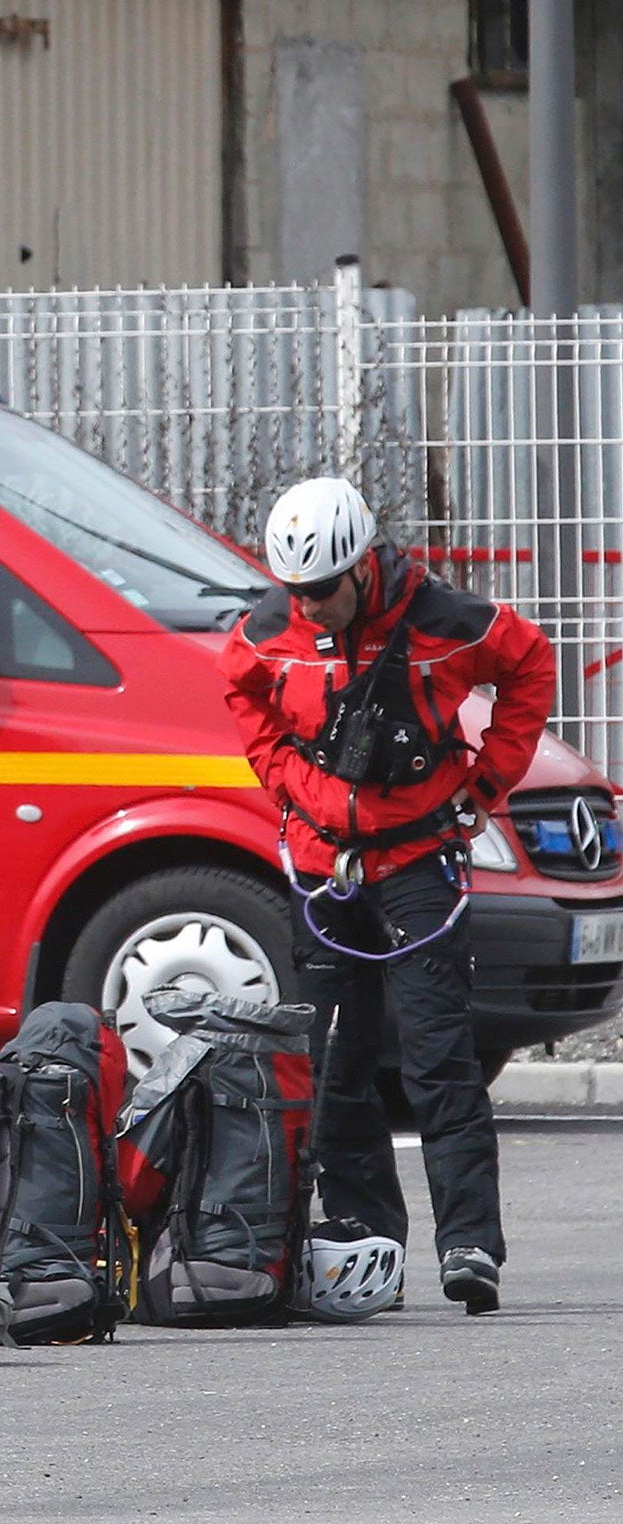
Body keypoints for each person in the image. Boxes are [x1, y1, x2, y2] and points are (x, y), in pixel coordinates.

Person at [220, 476, 556, 1315]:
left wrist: (486, 783)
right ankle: (368, 1243)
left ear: (364, 567)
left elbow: (529, 665)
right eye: (298, 592)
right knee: (336, 1062)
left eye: (325, 590)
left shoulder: (446, 618)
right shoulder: (269, 630)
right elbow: (244, 697)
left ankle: (469, 1243)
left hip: (416, 858)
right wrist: (289, 784)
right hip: (323, 861)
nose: (313, 607)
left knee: (440, 1055)